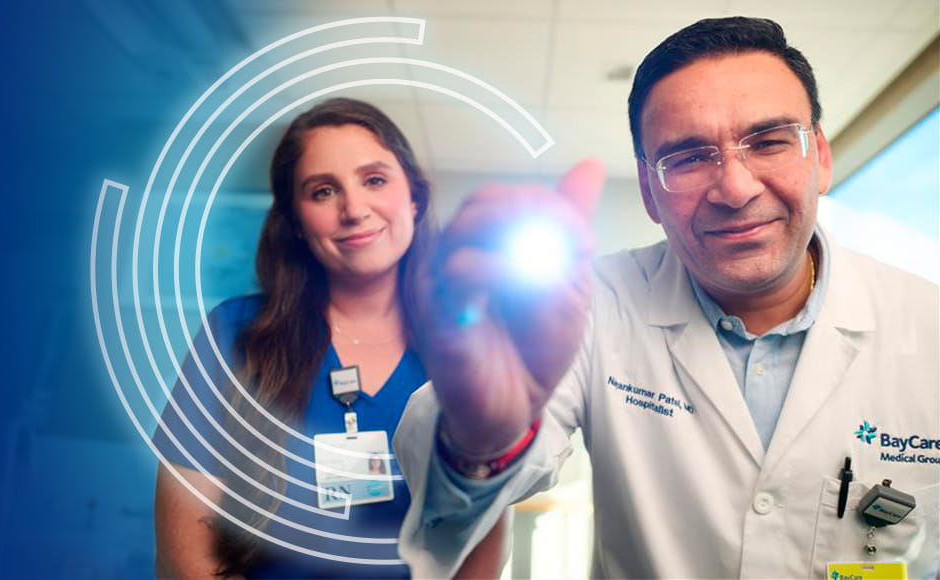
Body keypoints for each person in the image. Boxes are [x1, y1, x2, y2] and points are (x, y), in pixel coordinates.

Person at [395, 16, 940, 579]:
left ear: (820, 157)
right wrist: (480, 438)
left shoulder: (929, 329)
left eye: (770, 142)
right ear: (650, 191)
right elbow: (449, 517)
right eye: (687, 157)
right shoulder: (590, 305)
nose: (735, 188)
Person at [151, 98, 508, 579]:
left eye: (375, 180)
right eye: (322, 192)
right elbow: (187, 556)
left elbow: (481, 542)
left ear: (415, 198)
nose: (354, 210)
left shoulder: (468, 347)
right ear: (295, 221)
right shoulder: (234, 336)